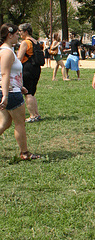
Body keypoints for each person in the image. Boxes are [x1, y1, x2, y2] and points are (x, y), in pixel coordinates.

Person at [0, 24, 40, 160]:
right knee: (19, 123)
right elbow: (4, 74)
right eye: (17, 34)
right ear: (9, 35)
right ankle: (24, 153)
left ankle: (24, 153)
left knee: (5, 123)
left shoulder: (7, 50)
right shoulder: (6, 52)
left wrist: (20, 86)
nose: (18, 36)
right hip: (10, 93)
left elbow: (9, 74)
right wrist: (5, 95)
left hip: (12, 90)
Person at [17, 22, 42, 122]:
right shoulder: (35, 41)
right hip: (36, 68)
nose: (19, 33)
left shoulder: (25, 42)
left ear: (26, 31)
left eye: (20, 31)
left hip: (27, 68)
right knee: (32, 92)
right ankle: (36, 114)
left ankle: (32, 115)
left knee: (27, 93)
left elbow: (19, 57)